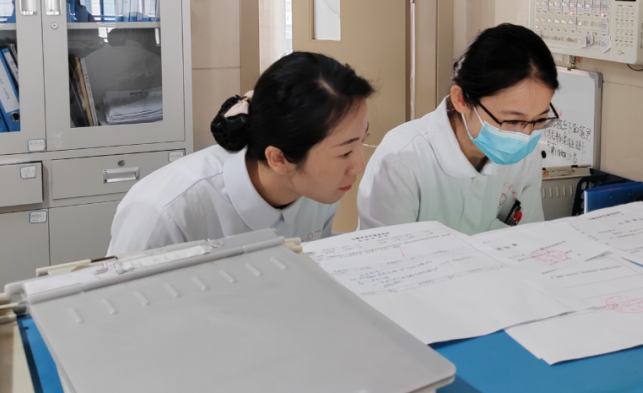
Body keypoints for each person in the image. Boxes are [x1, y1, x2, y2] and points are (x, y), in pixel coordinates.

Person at [107, 52, 373, 255]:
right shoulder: (165, 213)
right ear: (278, 159)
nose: (358, 166)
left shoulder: (320, 191)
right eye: (345, 153)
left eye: (362, 141)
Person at [357, 23, 559, 234]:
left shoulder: (526, 157)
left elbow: (527, 238)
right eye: (512, 121)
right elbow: (386, 251)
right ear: (461, 99)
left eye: (539, 119)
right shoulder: (401, 160)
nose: (525, 135)